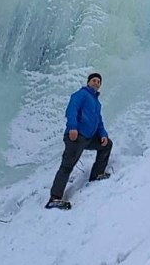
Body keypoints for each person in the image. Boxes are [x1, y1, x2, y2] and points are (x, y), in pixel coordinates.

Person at [46, 73, 113, 209]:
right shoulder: (81, 94)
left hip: (88, 138)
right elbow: (72, 109)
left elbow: (99, 121)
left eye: (98, 82)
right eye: (94, 80)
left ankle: (96, 175)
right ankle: (54, 198)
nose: (96, 83)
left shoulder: (96, 103)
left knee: (107, 145)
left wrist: (103, 135)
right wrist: (72, 127)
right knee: (67, 166)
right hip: (76, 136)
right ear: (88, 82)